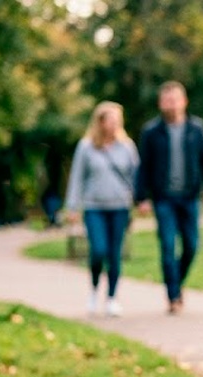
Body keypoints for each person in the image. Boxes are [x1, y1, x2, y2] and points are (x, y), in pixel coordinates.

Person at [135, 80, 203, 314]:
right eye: (166, 100)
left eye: (174, 99)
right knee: (167, 245)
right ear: (160, 103)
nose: (171, 104)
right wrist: (141, 197)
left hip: (189, 197)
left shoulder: (196, 128)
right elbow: (143, 166)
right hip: (163, 198)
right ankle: (173, 295)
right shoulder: (152, 132)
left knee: (192, 246)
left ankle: (176, 282)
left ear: (184, 101)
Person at [63, 101, 140, 317]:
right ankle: (95, 289)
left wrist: (140, 200)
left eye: (117, 120)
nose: (115, 124)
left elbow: (136, 177)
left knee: (115, 254)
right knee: (98, 251)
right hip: (94, 207)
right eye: (110, 120)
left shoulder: (126, 146)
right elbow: (77, 177)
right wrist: (72, 206)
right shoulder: (86, 146)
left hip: (120, 207)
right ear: (100, 122)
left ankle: (112, 298)